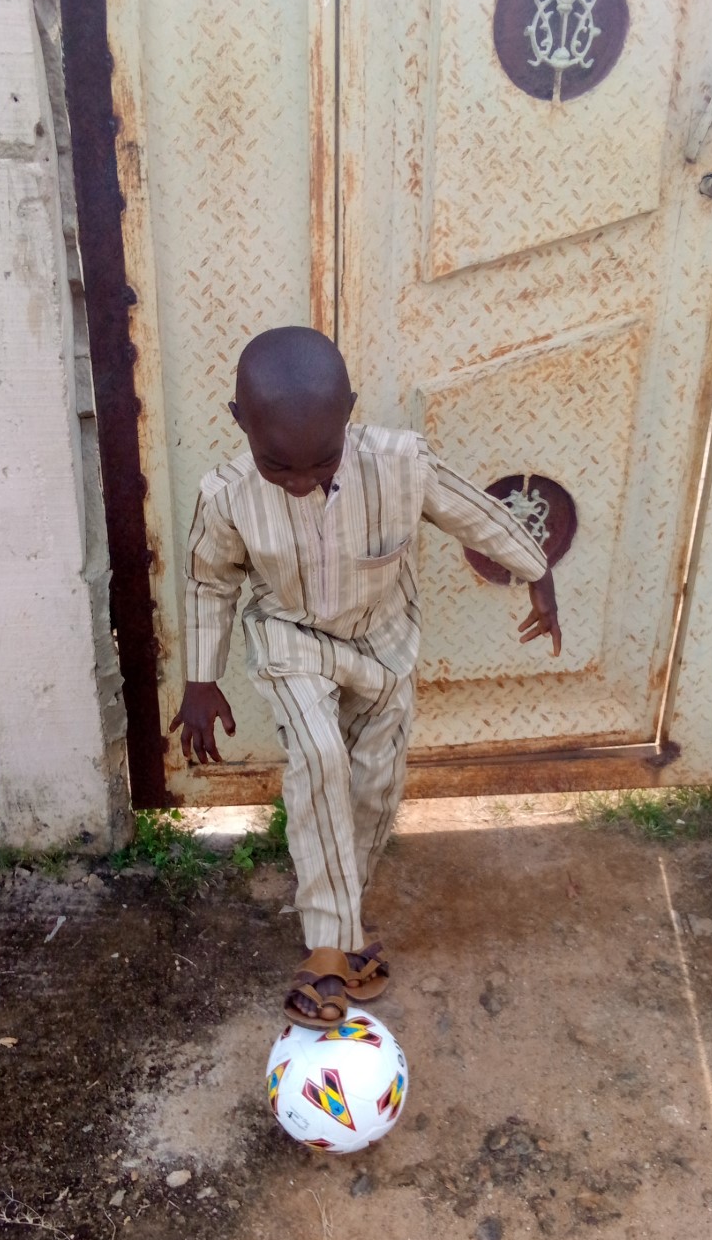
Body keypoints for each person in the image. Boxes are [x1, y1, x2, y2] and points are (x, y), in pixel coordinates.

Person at [170, 327, 561, 1028]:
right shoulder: (227, 496)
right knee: (320, 757)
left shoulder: (402, 463)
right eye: (277, 466)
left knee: (377, 785)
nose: (301, 483)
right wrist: (202, 679)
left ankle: (346, 920)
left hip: (385, 642)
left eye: (321, 462)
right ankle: (328, 947)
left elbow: (475, 515)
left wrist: (537, 570)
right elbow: (209, 581)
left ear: (349, 411)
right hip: (291, 637)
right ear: (239, 422)